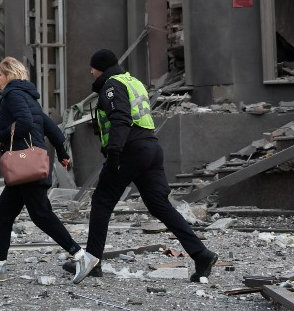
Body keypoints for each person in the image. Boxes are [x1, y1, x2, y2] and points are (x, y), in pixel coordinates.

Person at [72, 49, 218, 284]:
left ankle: (92, 262)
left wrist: (114, 155)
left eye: (92, 67)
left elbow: (120, 119)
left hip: (130, 149)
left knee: (102, 201)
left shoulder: (111, 86)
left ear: (100, 67)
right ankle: (201, 254)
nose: (90, 72)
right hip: (150, 148)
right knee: (159, 205)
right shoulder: (133, 82)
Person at [0, 56, 87, 282]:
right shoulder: (28, 97)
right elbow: (50, 127)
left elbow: (25, 122)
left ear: (9, 75)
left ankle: (81, 255)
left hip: (24, 166)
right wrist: (63, 154)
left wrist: (1, 137)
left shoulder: (12, 95)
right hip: (27, 169)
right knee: (4, 213)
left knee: (41, 215)